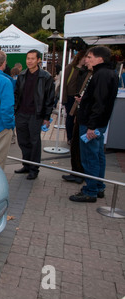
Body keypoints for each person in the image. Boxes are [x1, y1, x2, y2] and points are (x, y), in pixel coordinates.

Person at [69, 46, 119, 203]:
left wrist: (92, 126)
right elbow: (99, 100)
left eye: (90, 57)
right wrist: (85, 101)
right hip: (96, 123)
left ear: (100, 59)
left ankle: (90, 190)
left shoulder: (102, 75)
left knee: (90, 157)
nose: (86, 60)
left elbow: (100, 103)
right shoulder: (107, 73)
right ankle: (97, 186)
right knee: (97, 156)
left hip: (92, 124)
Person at [14, 49, 55, 180]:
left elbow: (50, 98)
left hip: (36, 114)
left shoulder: (46, 77)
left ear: (38, 60)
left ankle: (34, 169)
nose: (29, 61)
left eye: (32, 58)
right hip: (21, 113)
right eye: (28, 58)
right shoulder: (22, 75)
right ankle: (26, 165)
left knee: (34, 142)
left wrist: (46, 117)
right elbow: (16, 95)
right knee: (23, 141)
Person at [62, 55, 92, 185]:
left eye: (90, 57)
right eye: (87, 57)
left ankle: (82, 174)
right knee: (76, 144)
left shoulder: (97, 75)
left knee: (82, 148)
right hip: (79, 111)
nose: (87, 60)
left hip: (86, 116)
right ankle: (76, 172)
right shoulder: (83, 72)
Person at [61, 50, 87, 144]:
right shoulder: (70, 67)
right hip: (70, 97)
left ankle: (76, 137)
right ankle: (70, 137)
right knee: (70, 117)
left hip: (81, 96)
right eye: (85, 57)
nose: (86, 60)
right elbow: (63, 83)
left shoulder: (86, 69)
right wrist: (64, 98)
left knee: (79, 118)